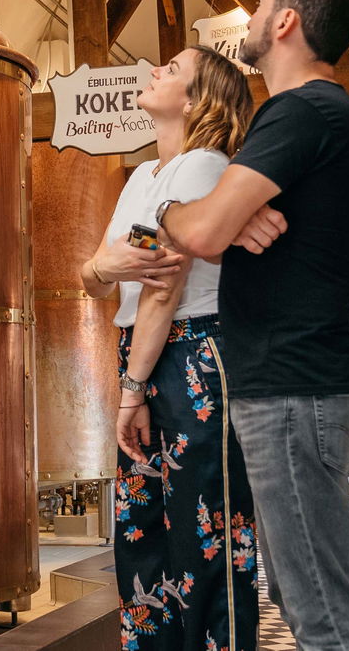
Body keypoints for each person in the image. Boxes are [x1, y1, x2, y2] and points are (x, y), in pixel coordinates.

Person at [153, 0, 349, 650]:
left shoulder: (301, 108)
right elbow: (224, 237)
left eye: (257, 7)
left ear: (285, 22)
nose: (248, 21)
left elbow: (199, 233)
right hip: (298, 388)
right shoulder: (316, 116)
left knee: (326, 617)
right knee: (301, 594)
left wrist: (171, 208)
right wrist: (228, 220)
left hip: (294, 388)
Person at [80, 46, 256, 651]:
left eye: (173, 69)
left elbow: (163, 289)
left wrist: (132, 389)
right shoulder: (142, 176)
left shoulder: (204, 166)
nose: (156, 69)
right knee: (141, 534)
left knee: (202, 537)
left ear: (198, 98)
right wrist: (100, 265)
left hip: (193, 354)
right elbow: (97, 277)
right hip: (144, 354)